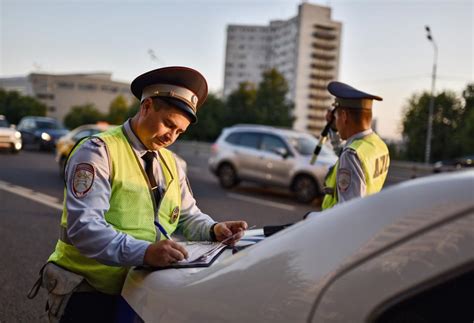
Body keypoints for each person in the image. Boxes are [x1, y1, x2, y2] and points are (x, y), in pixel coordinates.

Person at [31, 66, 248, 322]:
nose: (171, 137)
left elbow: (187, 215)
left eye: (179, 132)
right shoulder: (98, 152)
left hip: (139, 289)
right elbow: (84, 228)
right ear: (146, 106)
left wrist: (213, 229)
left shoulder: (172, 162)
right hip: (88, 290)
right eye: (169, 124)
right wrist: (145, 252)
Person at [321, 81, 390, 210]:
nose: (335, 120)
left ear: (344, 116)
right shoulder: (379, 146)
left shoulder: (351, 155)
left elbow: (347, 211)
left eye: (336, 116)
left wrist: (311, 218)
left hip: (337, 228)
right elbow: (343, 150)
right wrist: (334, 129)